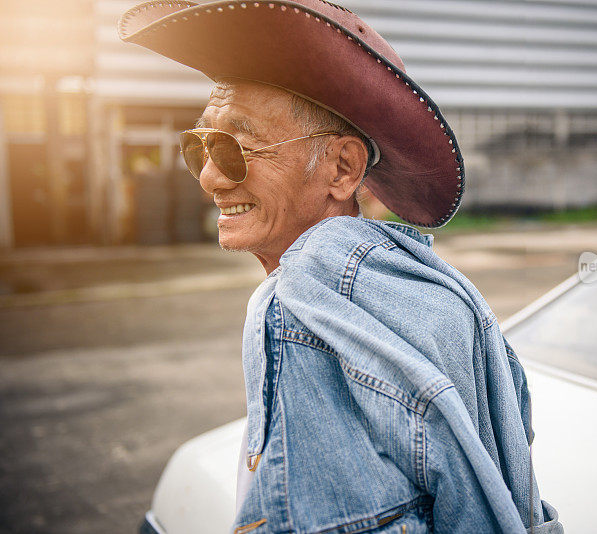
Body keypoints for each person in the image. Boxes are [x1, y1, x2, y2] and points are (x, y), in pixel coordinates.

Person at [119, 1, 562, 533]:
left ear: (342, 167)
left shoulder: (297, 305)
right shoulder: (431, 292)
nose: (210, 177)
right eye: (204, 146)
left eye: (238, 147)